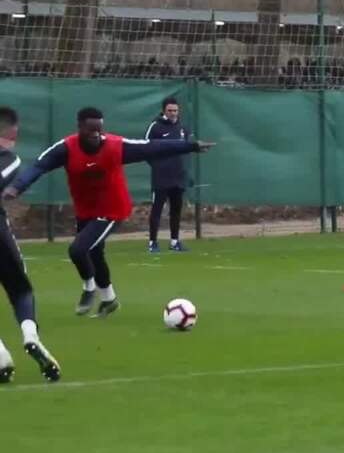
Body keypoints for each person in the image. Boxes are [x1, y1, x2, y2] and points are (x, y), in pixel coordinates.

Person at [2, 107, 214, 317]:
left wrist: (191, 146)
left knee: (77, 250)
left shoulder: (115, 146)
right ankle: (109, 300)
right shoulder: (66, 148)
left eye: (99, 130)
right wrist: (16, 187)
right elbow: (39, 166)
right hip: (85, 210)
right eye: (91, 130)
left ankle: (89, 288)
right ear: (79, 128)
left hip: (112, 209)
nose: (96, 135)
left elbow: (152, 147)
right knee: (95, 253)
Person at [0, 107, 60, 383]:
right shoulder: (9, 159)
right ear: (12, 133)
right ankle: (30, 336)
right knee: (21, 290)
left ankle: (1, 356)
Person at [144, 96, 191, 253]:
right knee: (157, 210)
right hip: (161, 178)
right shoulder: (155, 127)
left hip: (178, 177)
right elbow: (145, 148)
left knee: (176, 210)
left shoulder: (182, 128)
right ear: (164, 110)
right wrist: (158, 166)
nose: (173, 113)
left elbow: (187, 147)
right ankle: (152, 242)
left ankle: (174, 242)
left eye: (175, 110)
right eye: (170, 110)